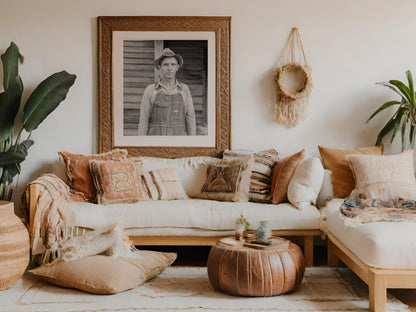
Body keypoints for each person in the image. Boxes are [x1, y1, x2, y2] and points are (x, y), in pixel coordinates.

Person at [138, 48, 196, 136]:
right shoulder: (150, 90)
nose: (169, 68)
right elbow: (143, 120)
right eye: (166, 64)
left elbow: (190, 119)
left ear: (177, 67)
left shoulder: (184, 89)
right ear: (159, 67)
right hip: (156, 141)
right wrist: (141, 144)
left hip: (178, 142)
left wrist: (192, 143)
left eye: (173, 64)